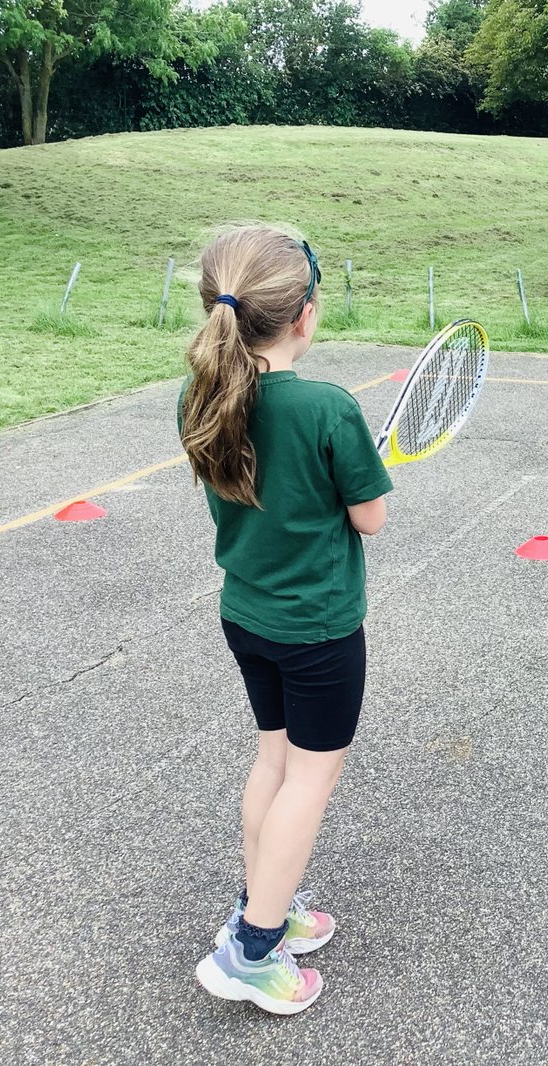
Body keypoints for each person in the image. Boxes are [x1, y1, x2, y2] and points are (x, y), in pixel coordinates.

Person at [181, 226, 393, 1012]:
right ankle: (253, 949)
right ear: (307, 314)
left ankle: (262, 903)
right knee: (310, 775)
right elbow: (369, 518)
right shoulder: (329, 408)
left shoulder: (201, 392)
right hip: (320, 629)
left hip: (248, 617)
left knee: (274, 759)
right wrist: (363, 468)